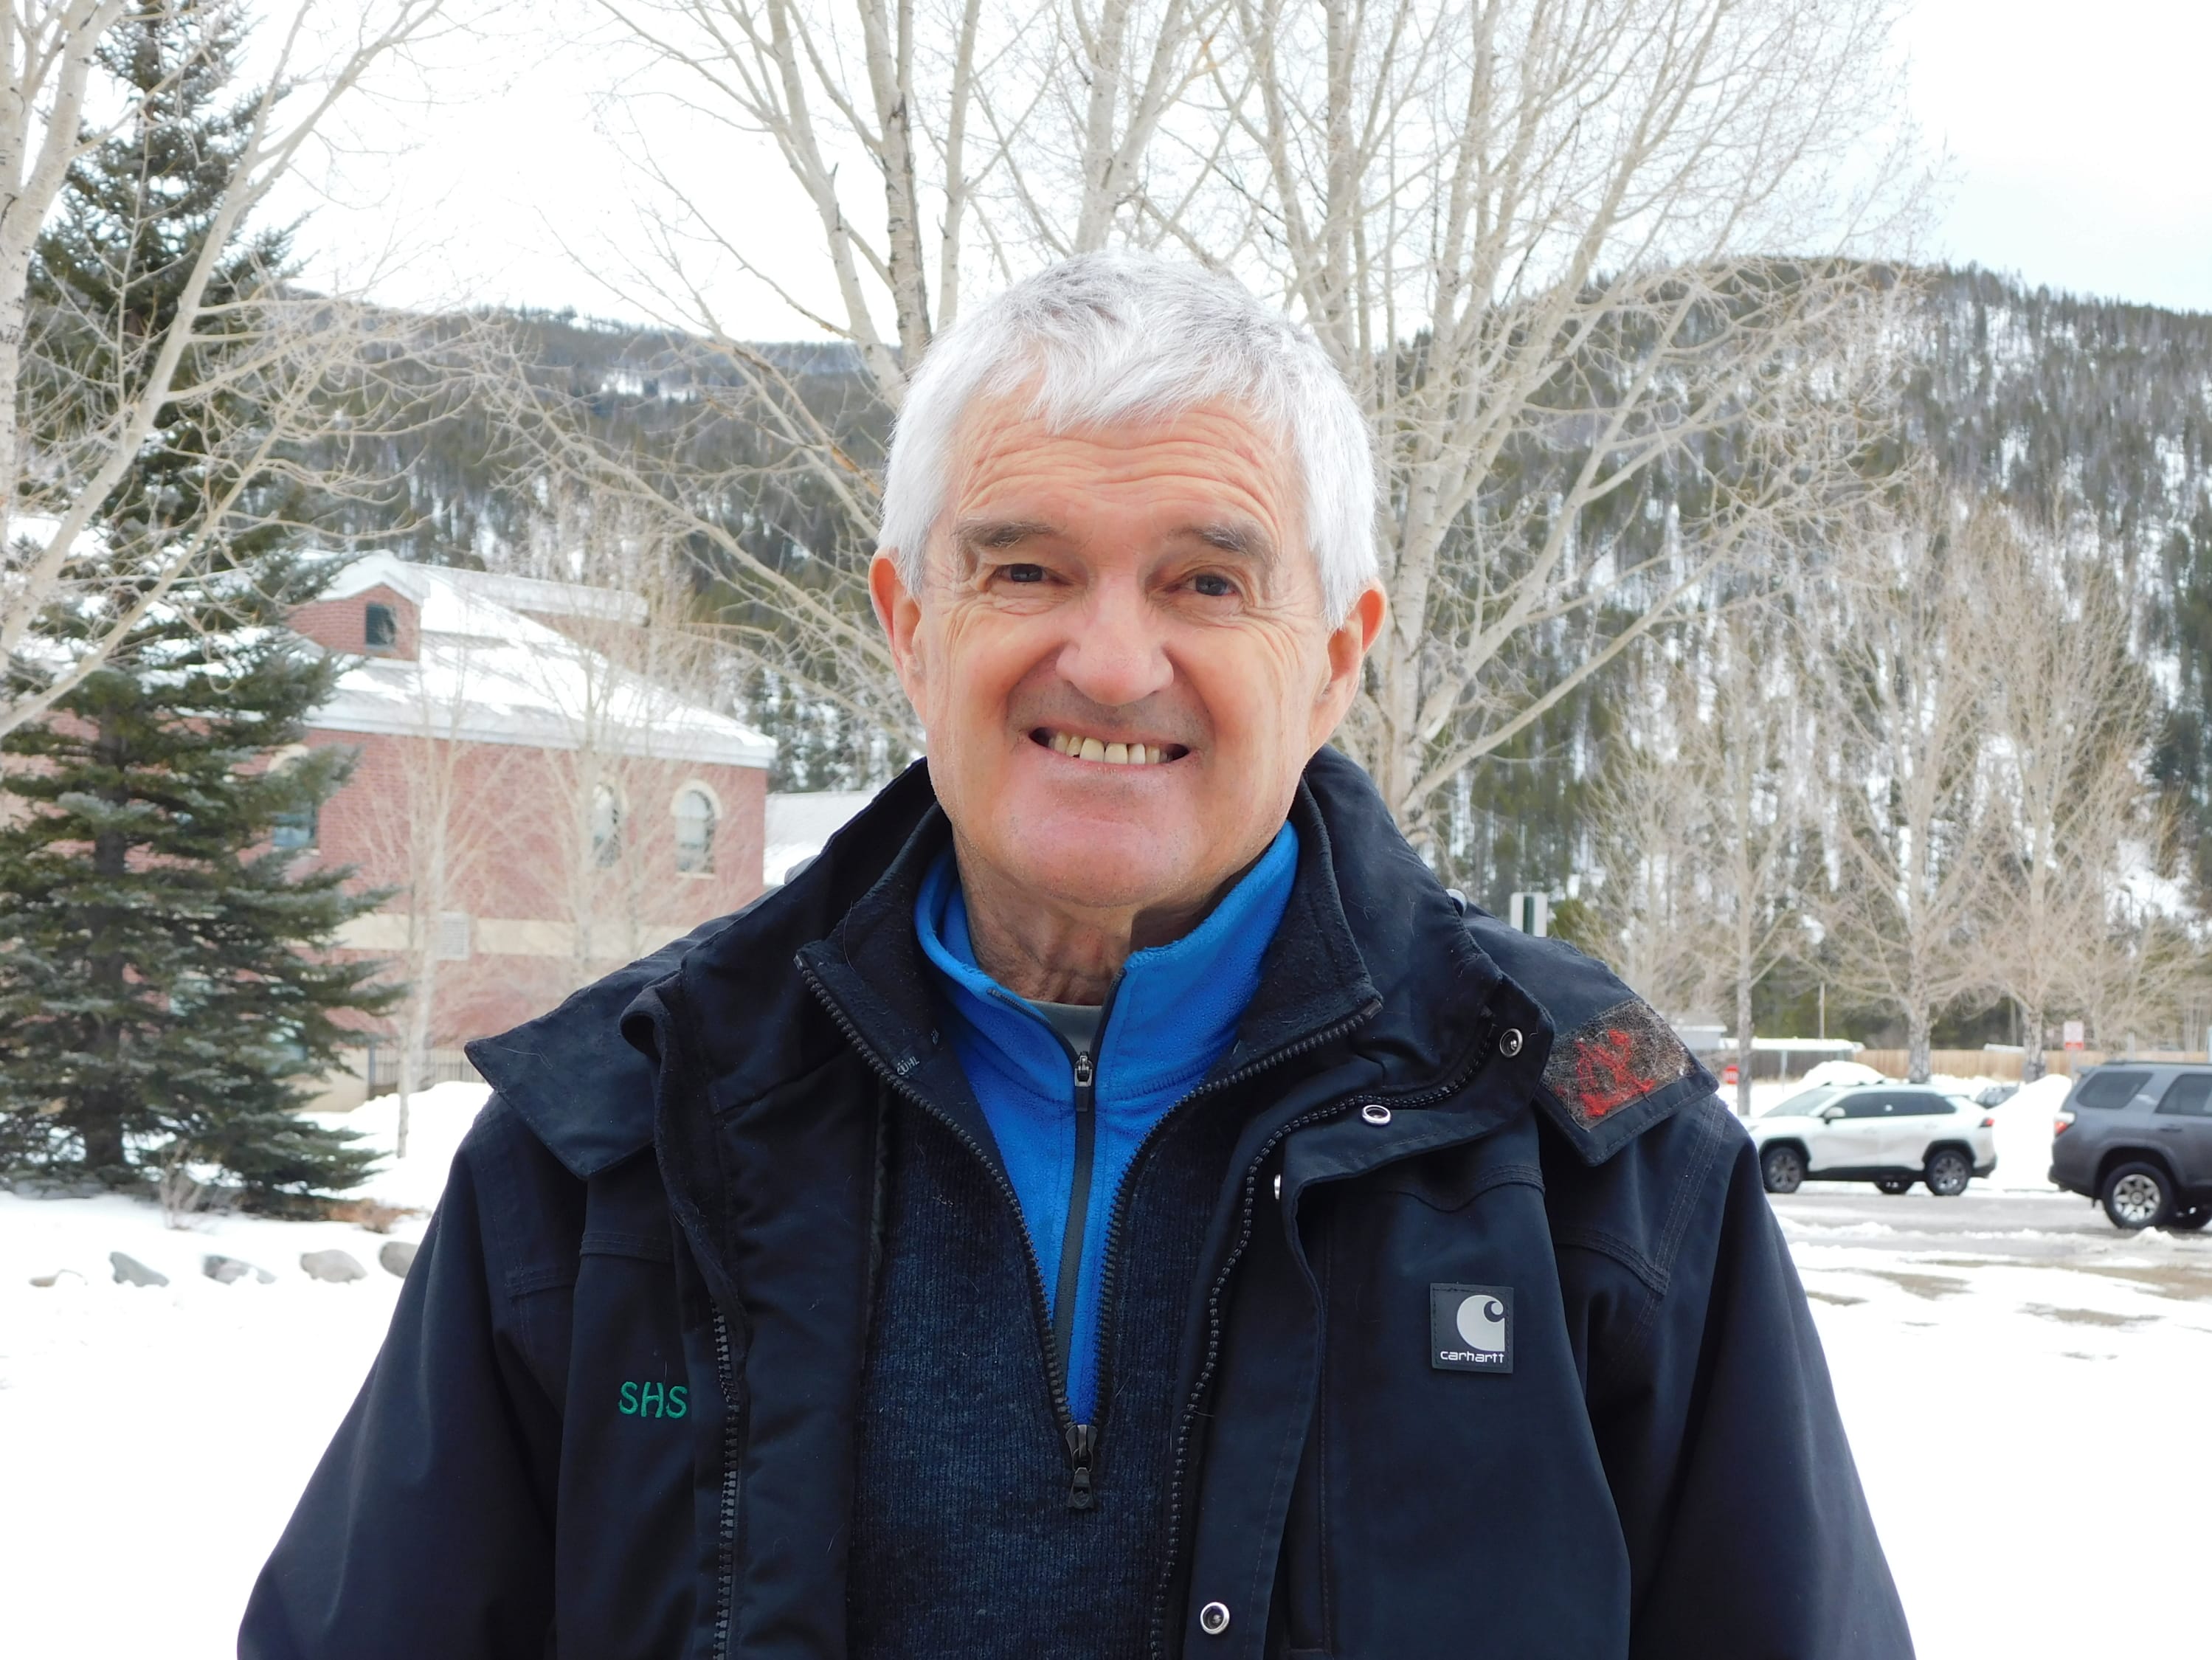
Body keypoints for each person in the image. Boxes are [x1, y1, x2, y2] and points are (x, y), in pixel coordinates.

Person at [242, 254, 1912, 1659]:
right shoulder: (615, 1140)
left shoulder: (1594, 1161)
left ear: (1336, 658)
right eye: (1025, 567)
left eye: (1206, 581)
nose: (1111, 662)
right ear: (910, 624)